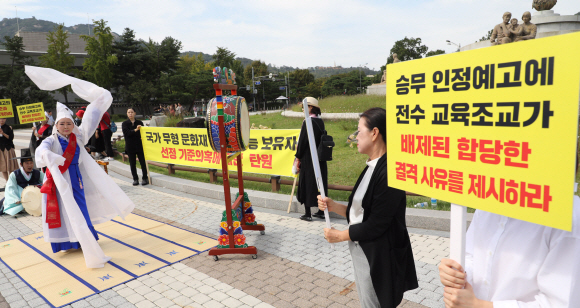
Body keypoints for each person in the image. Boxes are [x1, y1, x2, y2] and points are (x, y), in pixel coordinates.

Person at [26, 65, 134, 268]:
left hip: (76, 177)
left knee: (80, 207)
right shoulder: (52, 140)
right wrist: (50, 156)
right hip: (60, 179)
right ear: (56, 126)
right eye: (62, 124)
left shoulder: (78, 136)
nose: (65, 127)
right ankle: (68, 241)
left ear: (72, 125)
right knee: (65, 209)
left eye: (68, 123)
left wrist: (99, 98)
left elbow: (92, 115)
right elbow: (41, 151)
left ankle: (85, 238)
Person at [317, 107, 418, 308]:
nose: (355, 137)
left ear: (374, 133)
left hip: (378, 255)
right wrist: (334, 206)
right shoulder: (372, 166)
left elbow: (376, 224)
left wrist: (340, 235)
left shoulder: (390, 172)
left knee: (374, 303)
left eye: (358, 131)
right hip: (363, 248)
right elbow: (363, 212)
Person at [438, 197, 580, 307]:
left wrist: (480, 306)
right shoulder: (489, 199)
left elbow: (561, 303)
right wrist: (457, 274)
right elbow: (471, 255)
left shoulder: (568, 214)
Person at [295, 97, 327, 221]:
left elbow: (302, 142)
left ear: (311, 107)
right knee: (320, 183)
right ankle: (321, 211)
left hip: (308, 158)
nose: (303, 109)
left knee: (307, 183)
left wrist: (298, 157)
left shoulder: (307, 122)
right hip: (320, 157)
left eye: (305, 106)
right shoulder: (320, 121)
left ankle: (307, 213)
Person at [3, 149, 44, 216]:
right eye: (27, 163)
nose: (29, 165)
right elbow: (10, 188)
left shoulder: (38, 173)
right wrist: (15, 199)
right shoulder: (14, 174)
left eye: (31, 163)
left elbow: (46, 182)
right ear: (21, 164)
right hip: (21, 199)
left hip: (35, 199)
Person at [122, 107, 149, 186]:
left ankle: (145, 178)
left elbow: (143, 133)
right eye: (129, 112)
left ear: (135, 113)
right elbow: (127, 133)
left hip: (140, 145)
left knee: (142, 163)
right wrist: (136, 130)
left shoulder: (139, 122)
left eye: (132, 112)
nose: (130, 114)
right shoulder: (125, 124)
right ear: (127, 114)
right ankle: (135, 179)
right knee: (132, 163)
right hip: (130, 146)